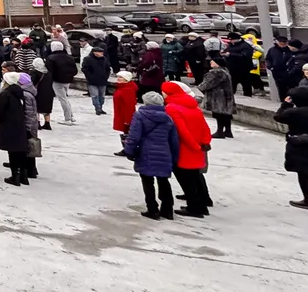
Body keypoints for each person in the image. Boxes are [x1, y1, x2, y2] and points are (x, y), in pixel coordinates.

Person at [123, 92, 178, 220]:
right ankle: (167, 209)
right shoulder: (168, 118)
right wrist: (174, 156)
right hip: (164, 152)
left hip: (146, 152)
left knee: (147, 181)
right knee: (163, 181)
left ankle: (152, 209)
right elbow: (173, 139)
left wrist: (129, 151)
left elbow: (134, 135)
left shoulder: (140, 115)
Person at [162, 82, 212, 217]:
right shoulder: (193, 106)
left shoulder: (171, 108)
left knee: (186, 180)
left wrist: (194, 147)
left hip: (185, 149)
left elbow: (181, 131)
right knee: (195, 177)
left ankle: (194, 208)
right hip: (198, 147)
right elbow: (204, 127)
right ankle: (202, 206)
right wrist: (204, 143)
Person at [275, 86, 308, 210]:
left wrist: (285, 104)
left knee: (303, 173)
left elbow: (278, 117)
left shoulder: (294, 113)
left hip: (301, 146)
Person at [0, 72, 32, 186]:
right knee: (20, 150)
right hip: (19, 124)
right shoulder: (20, 92)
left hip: (8, 124)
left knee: (12, 151)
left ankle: (15, 176)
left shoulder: (5, 94)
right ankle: (23, 176)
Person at [197, 57, 236, 138]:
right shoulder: (225, 71)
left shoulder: (216, 73)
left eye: (213, 61)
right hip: (226, 96)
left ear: (217, 63)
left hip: (218, 97)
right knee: (226, 114)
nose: (211, 62)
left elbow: (206, 85)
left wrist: (200, 87)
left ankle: (220, 132)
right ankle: (228, 131)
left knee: (219, 114)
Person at [45, 41, 77, 125]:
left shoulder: (51, 58)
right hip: (68, 80)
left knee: (63, 99)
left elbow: (50, 71)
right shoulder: (69, 57)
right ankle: (71, 115)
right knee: (65, 98)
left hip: (57, 81)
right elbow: (75, 70)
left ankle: (68, 118)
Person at [82, 45, 112, 116]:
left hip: (102, 80)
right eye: (100, 52)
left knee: (102, 96)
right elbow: (85, 69)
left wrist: (106, 77)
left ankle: (100, 108)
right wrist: (89, 77)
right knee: (95, 95)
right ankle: (97, 108)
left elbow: (108, 69)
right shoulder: (87, 59)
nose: (102, 54)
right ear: (94, 52)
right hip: (92, 81)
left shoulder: (104, 59)